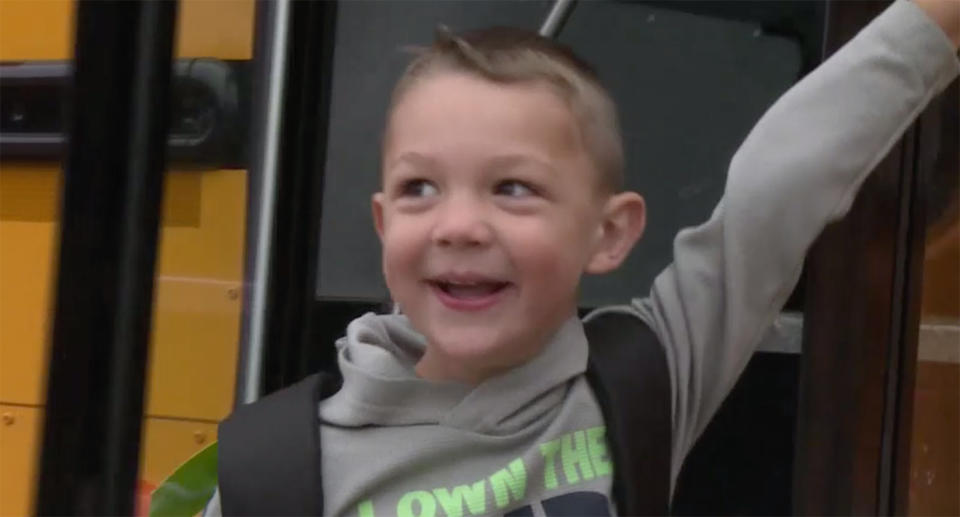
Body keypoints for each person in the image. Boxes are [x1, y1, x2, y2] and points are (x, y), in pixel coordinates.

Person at [206, 1, 959, 514]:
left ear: (610, 233)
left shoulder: (642, 375)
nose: (459, 224)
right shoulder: (276, 473)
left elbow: (783, 181)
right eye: (419, 188)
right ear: (380, 223)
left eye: (513, 188)